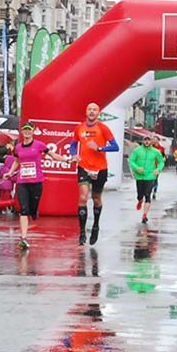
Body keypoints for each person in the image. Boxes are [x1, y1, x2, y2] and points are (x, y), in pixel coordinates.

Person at [2, 122, 66, 250]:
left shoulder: (39, 145)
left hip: (36, 182)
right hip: (22, 182)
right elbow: (17, 161)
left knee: (32, 209)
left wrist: (67, 160)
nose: (26, 132)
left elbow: (53, 155)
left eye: (29, 130)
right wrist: (10, 173)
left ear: (33, 131)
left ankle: (34, 211)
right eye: (24, 130)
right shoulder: (18, 147)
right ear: (22, 132)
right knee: (23, 210)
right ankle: (23, 238)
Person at [69, 102, 119, 245]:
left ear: (98, 113)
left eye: (94, 110)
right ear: (86, 112)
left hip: (100, 168)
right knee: (83, 197)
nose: (91, 112)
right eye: (89, 109)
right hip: (84, 166)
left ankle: (96, 226)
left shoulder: (103, 128)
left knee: (96, 198)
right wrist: (74, 155)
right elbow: (73, 144)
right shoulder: (79, 127)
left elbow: (115, 147)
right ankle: (82, 232)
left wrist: (99, 148)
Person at [128, 135, 164, 224]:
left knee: (148, 194)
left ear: (151, 141)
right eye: (145, 140)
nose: (147, 142)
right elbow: (131, 160)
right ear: (143, 141)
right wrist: (136, 168)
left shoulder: (156, 152)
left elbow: (161, 162)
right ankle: (140, 200)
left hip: (150, 176)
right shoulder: (137, 151)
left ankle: (145, 215)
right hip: (140, 176)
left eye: (149, 140)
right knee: (140, 195)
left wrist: (158, 169)